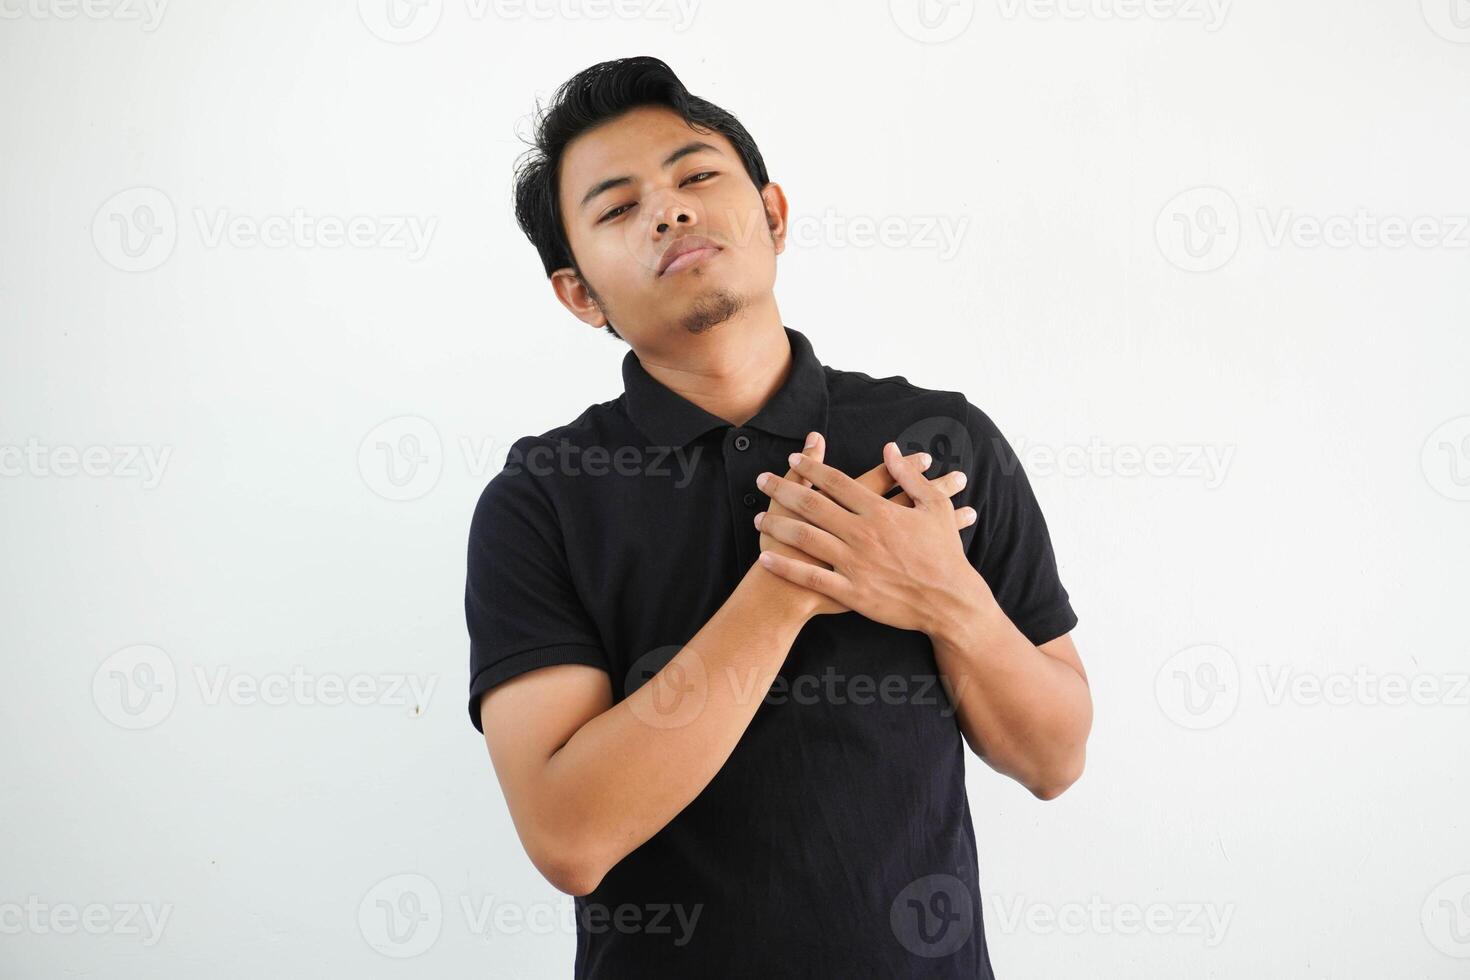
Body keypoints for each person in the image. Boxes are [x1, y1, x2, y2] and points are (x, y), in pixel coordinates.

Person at [465, 55, 1093, 979]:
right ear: (579, 293)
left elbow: (1054, 757)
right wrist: (788, 583)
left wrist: (944, 596)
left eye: (697, 176)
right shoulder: (543, 497)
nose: (669, 211)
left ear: (773, 214)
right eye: (616, 207)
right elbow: (570, 836)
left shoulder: (935, 438)